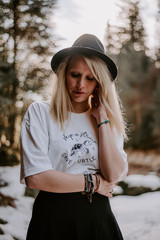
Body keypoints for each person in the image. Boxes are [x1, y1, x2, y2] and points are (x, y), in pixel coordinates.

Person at [20, 33, 128, 240]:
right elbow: (36, 177)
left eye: (90, 78)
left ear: (99, 82)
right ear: (64, 74)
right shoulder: (40, 113)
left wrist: (102, 121)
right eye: (75, 74)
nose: (81, 85)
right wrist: (94, 183)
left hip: (97, 219)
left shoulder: (106, 119)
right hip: (52, 217)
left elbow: (113, 175)